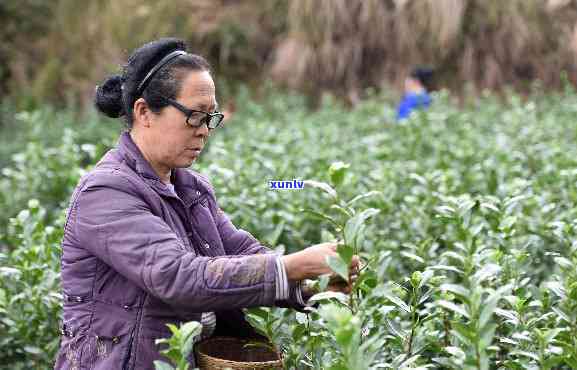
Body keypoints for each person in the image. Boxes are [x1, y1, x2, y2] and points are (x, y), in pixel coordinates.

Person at [53, 38, 358, 370]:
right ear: (144, 112)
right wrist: (293, 266)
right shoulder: (106, 190)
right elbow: (178, 277)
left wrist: (314, 287)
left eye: (210, 118)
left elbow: (240, 253)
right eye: (194, 116)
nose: (204, 132)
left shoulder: (190, 187)